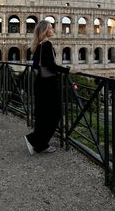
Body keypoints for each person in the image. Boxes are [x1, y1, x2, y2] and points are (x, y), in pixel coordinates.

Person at [24, 20, 73, 155]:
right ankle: (34, 140)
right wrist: (68, 70)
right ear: (45, 31)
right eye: (51, 28)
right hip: (48, 84)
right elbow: (51, 66)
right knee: (54, 114)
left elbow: (35, 66)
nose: (53, 30)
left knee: (43, 115)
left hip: (40, 83)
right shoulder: (47, 45)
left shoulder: (37, 46)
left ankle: (40, 144)